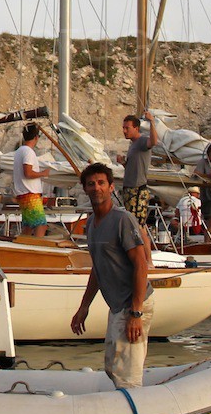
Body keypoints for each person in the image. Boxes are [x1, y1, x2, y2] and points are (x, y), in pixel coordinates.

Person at [70, 162, 151, 389]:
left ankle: (134, 412)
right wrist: (84, 306)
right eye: (91, 184)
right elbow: (98, 268)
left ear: (111, 187)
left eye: (101, 183)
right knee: (111, 366)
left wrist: (136, 313)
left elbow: (141, 264)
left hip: (133, 303)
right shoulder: (91, 225)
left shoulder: (122, 220)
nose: (97, 188)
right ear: (85, 189)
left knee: (127, 374)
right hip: (117, 306)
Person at [115, 111, 160, 229]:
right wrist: (123, 163)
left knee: (137, 226)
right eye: (123, 128)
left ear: (136, 128)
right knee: (132, 224)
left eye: (127, 128)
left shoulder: (142, 141)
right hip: (129, 190)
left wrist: (151, 122)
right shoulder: (133, 144)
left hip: (137, 191)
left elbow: (154, 142)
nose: (124, 131)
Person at [12, 122, 50, 238]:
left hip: (24, 194)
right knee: (41, 225)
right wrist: (43, 173)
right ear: (36, 137)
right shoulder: (28, 152)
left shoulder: (19, 151)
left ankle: (23, 249)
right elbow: (27, 173)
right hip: (30, 195)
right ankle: (37, 248)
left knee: (28, 226)